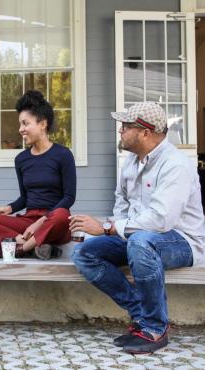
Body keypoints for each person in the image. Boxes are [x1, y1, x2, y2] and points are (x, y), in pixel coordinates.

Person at [70, 102, 205, 354]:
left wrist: (108, 228)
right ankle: (141, 315)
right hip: (138, 238)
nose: (120, 130)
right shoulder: (130, 163)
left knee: (141, 241)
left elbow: (161, 220)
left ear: (145, 132)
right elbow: (122, 204)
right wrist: (112, 230)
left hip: (182, 242)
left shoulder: (176, 164)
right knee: (85, 253)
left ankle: (155, 329)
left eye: (126, 125)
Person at [0, 90, 76, 260]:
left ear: (42, 123)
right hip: (27, 221)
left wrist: (40, 223)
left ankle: (20, 248)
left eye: (25, 123)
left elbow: (69, 197)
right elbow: (25, 198)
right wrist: (7, 208)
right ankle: (34, 247)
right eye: (20, 124)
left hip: (53, 221)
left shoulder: (63, 155)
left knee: (63, 215)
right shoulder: (22, 159)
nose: (21, 129)